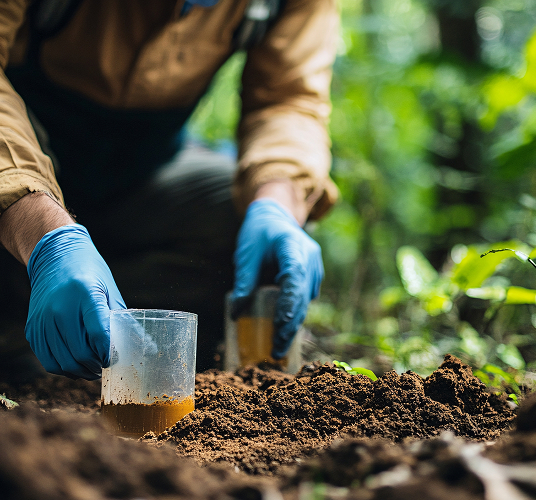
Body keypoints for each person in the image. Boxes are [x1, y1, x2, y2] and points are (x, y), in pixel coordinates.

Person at [0, 0, 339, 380]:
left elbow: (289, 97)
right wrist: (45, 236)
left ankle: (110, 332)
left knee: (244, 229)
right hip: (13, 197)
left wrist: (276, 204)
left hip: (140, 186)